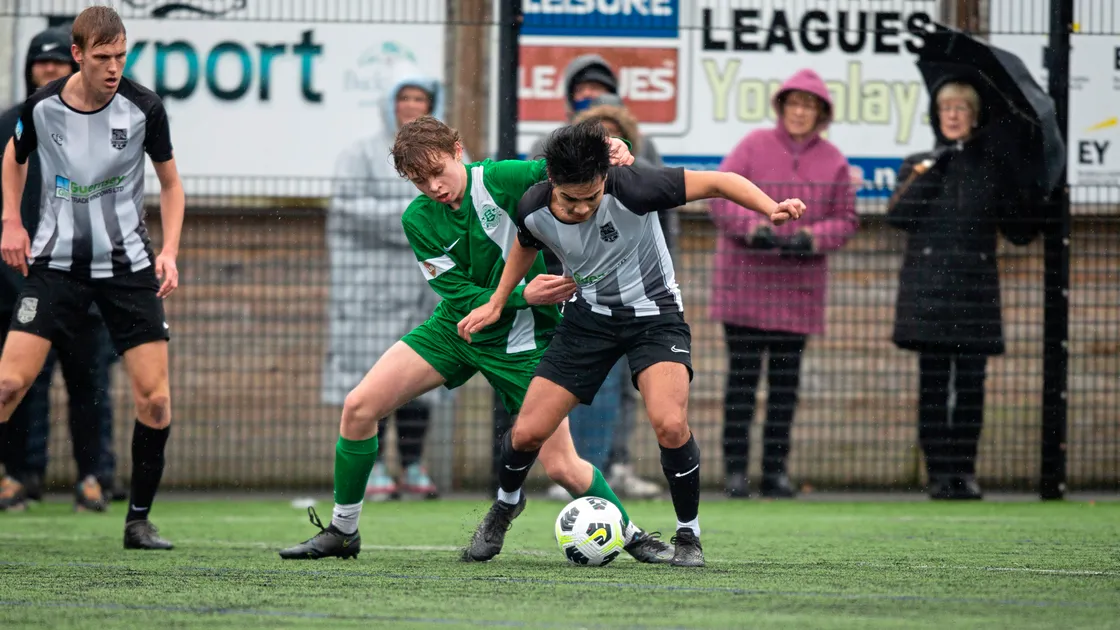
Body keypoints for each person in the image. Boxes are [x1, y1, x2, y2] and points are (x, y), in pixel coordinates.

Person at [278, 116, 673, 565]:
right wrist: (522, 293)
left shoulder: (503, 178)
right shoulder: (417, 219)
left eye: (437, 172)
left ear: (457, 150)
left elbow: (569, 166)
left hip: (524, 340)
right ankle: (343, 531)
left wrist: (611, 145)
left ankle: (634, 537)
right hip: (457, 329)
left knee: (562, 465)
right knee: (358, 407)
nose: (433, 187)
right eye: (419, 180)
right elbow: (457, 294)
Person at [457, 119, 805, 567]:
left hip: (654, 318)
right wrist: (498, 301)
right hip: (587, 322)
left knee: (670, 425)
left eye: (591, 197)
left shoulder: (636, 187)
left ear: (604, 178)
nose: (581, 209)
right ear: (552, 182)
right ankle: (505, 506)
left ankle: (689, 536)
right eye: (570, 200)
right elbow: (525, 243)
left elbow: (720, 182)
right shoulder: (532, 206)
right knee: (526, 432)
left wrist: (771, 207)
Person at [0, 6, 185, 549]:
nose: (113, 67)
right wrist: (11, 221)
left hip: (127, 269)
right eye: (103, 57)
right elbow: (13, 158)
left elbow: (171, 185)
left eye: (121, 56)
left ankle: (138, 521)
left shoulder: (145, 107)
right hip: (55, 266)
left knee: (155, 401)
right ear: (77, 55)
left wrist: (170, 251)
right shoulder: (41, 107)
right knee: (8, 385)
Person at [886, 79, 1041, 501]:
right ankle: (938, 474)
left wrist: (1028, 187)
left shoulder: (993, 167)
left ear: (975, 116)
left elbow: (1021, 232)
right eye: (946, 108)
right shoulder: (920, 162)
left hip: (976, 294)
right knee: (933, 387)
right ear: (936, 115)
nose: (953, 115)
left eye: (962, 108)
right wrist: (935, 166)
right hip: (929, 294)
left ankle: (964, 473)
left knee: (972, 386)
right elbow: (899, 215)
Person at [709, 69, 858, 499]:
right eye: (794, 103)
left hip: (797, 294)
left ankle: (775, 472)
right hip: (745, 288)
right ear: (782, 107)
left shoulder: (834, 161)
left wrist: (812, 238)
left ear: (821, 113)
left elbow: (846, 219)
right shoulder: (752, 146)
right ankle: (736, 473)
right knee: (741, 385)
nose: (800, 112)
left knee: (784, 389)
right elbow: (720, 198)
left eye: (809, 106)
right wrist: (754, 228)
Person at [325, 74, 464, 501]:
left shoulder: (455, 157)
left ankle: (413, 463)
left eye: (420, 97)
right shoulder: (358, 153)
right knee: (375, 377)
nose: (411, 105)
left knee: (422, 377)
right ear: (390, 103)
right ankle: (376, 467)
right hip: (371, 287)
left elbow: (467, 206)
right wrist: (413, 214)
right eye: (404, 97)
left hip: (428, 284)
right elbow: (348, 209)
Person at [0, 24, 121, 513]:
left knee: (90, 386)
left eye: (57, 61)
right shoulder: (10, 124)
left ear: (73, 63)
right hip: (25, 283)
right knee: (20, 386)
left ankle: (94, 478)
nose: (48, 68)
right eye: (40, 61)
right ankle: (19, 477)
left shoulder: (104, 121)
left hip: (90, 282)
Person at [544, 95, 664, 501]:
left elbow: (666, 232)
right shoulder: (563, 191)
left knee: (632, 391)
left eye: (616, 141)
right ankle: (582, 469)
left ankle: (618, 465)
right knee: (590, 387)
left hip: (642, 304)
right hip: (588, 306)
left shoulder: (641, 184)